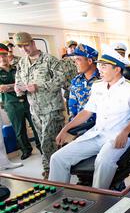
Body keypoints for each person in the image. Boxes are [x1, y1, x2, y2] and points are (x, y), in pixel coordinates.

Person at [48, 47, 130, 189]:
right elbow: (87, 112)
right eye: (99, 66)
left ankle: (98, 198)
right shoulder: (98, 86)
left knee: (103, 161)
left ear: (117, 69)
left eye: (104, 67)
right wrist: (66, 129)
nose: (99, 70)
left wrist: (124, 132)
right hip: (96, 134)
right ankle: (56, 197)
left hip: (117, 136)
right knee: (57, 158)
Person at [13, 32, 66, 179]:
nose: (24, 49)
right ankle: (58, 164)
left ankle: (49, 169)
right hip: (35, 109)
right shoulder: (22, 63)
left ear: (33, 43)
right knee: (46, 139)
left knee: (47, 140)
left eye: (26, 45)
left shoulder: (50, 60)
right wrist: (18, 88)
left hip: (51, 108)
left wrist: (40, 86)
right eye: (20, 47)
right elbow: (19, 79)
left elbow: (61, 79)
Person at [0, 43, 41, 160]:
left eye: (4, 55)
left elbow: (28, 82)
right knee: (19, 129)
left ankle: (41, 146)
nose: (2, 58)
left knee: (36, 125)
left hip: (27, 101)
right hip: (12, 104)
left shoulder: (17, 67)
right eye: (0, 56)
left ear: (8, 56)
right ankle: (26, 150)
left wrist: (10, 86)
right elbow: (1, 88)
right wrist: (18, 85)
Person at [68, 44, 100, 122]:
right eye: (74, 60)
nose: (75, 63)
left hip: (99, 126)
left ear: (89, 61)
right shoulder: (76, 81)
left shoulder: (103, 79)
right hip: (81, 127)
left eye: (78, 59)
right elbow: (72, 107)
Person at [61, 40, 79, 111]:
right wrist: (72, 88)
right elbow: (61, 79)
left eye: (75, 47)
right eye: (70, 47)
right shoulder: (63, 62)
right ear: (66, 49)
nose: (73, 49)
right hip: (70, 93)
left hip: (83, 92)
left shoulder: (81, 59)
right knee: (73, 116)